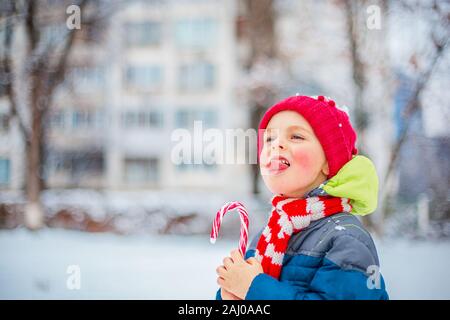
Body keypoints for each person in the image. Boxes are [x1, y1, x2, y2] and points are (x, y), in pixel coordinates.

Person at [215, 95, 389, 300]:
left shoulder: (346, 238)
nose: (275, 145)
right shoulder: (268, 236)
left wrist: (255, 289)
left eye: (296, 136)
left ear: (329, 163)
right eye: (269, 138)